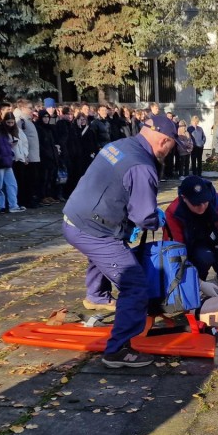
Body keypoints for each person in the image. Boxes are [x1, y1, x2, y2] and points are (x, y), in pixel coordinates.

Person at [62, 113, 179, 368]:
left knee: (111, 250)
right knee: (135, 285)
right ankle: (117, 351)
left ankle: (97, 296)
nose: (170, 152)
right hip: (93, 228)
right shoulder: (142, 167)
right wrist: (156, 220)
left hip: (74, 218)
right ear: (164, 141)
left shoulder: (119, 145)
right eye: (172, 146)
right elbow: (144, 215)